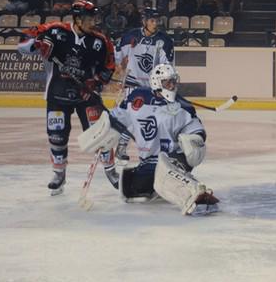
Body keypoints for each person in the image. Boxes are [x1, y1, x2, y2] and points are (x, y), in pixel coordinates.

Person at [78, 64, 219, 216]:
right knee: (134, 187)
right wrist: (104, 132)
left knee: (163, 169)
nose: (172, 86)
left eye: (173, 82)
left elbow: (197, 131)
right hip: (148, 163)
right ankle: (169, 186)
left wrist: (194, 141)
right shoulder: (137, 98)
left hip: (174, 158)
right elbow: (117, 118)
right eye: (167, 82)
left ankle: (195, 194)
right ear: (157, 83)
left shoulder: (182, 107)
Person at [17, 0, 117, 195]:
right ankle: (59, 174)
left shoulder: (100, 40)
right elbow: (22, 44)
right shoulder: (54, 30)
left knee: (101, 134)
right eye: (90, 18)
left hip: (86, 95)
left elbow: (109, 65)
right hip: (57, 94)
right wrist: (36, 45)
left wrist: (96, 82)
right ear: (78, 19)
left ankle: (111, 171)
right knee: (57, 136)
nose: (93, 22)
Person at [114, 8, 175, 161]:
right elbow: (116, 56)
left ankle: (160, 149)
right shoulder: (131, 36)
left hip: (153, 87)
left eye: (157, 20)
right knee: (131, 117)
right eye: (152, 21)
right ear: (144, 21)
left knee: (157, 118)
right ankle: (121, 146)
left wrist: (164, 85)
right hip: (133, 84)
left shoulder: (165, 41)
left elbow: (167, 67)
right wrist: (116, 70)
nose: (156, 24)